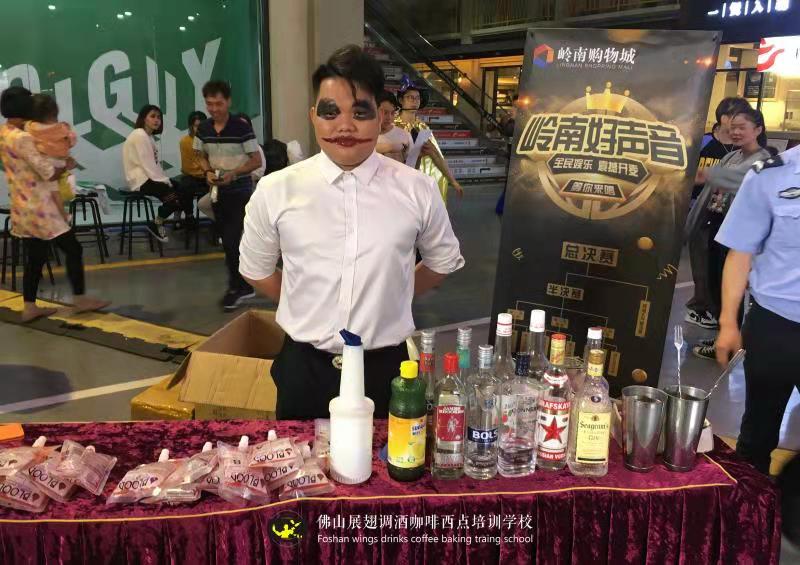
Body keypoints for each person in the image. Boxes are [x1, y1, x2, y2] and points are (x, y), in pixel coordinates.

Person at [239, 45, 465, 420]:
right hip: (304, 369)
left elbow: (441, 261)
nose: (344, 126)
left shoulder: (416, 189)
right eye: (331, 112)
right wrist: (306, 299)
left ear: (381, 117)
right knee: (301, 460)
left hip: (386, 369)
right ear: (313, 116)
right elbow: (256, 269)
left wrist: (390, 294)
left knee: (390, 457)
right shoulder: (277, 189)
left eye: (360, 112)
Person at [715, 144, 800, 475]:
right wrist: (728, 323)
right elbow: (740, 253)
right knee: (758, 433)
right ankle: (752, 502)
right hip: (775, 326)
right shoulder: (771, 176)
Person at [0, 87, 108, 322]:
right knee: (73, 249)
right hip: (43, 208)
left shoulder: (4, 133)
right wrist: (65, 164)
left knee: (35, 257)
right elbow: (47, 172)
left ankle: (29, 306)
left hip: (22, 206)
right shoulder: (23, 138)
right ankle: (80, 299)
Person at [687, 108, 774, 361]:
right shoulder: (732, 156)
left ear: (758, 130)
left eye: (742, 127)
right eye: (732, 127)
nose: (735, 132)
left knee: (730, 287)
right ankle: (722, 336)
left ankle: (731, 341)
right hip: (717, 226)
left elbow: (736, 178)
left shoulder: (764, 160)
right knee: (714, 282)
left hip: (739, 233)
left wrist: (705, 175)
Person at [193, 81, 263, 311]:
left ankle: (237, 287)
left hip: (240, 190)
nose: (214, 109)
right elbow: (199, 154)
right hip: (217, 191)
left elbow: (256, 160)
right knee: (228, 241)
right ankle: (243, 285)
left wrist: (234, 173)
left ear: (228, 102)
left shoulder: (241, 128)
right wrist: (207, 171)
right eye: (209, 104)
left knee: (232, 240)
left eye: (219, 103)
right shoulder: (203, 128)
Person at [685, 97, 751, 331]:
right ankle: (702, 307)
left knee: (726, 266)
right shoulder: (702, 142)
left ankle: (720, 313)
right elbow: (687, 173)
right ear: (721, 118)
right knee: (702, 263)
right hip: (702, 211)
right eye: (732, 115)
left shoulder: (745, 147)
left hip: (730, 215)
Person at [122, 105, 195, 243]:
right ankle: (156, 223)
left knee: (182, 189)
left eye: (159, 117)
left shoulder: (148, 137)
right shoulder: (139, 135)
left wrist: (165, 180)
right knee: (173, 199)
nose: (157, 120)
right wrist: (164, 181)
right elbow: (147, 165)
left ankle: (169, 221)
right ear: (144, 118)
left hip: (149, 177)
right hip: (141, 180)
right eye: (152, 116)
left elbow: (154, 165)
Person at [395, 75, 464, 202]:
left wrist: (453, 181)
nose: (414, 101)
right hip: (398, 185)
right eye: (410, 97)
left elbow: (436, 155)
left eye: (417, 98)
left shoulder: (423, 128)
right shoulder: (392, 125)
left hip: (420, 186)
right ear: (401, 100)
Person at [196, 113, 266, 223]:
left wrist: (237, 175)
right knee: (204, 204)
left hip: (247, 185)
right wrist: (212, 174)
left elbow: (259, 169)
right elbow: (204, 159)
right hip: (222, 184)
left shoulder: (254, 147)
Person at [24, 94, 77, 206]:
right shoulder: (61, 128)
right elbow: (72, 141)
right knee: (60, 188)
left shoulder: (29, 128)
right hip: (57, 164)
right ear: (54, 113)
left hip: (37, 170)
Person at [375, 90, 411, 163]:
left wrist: (419, 156)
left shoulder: (404, 135)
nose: (389, 117)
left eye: (392, 113)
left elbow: (412, 166)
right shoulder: (363, 134)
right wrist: (389, 147)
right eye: (385, 112)